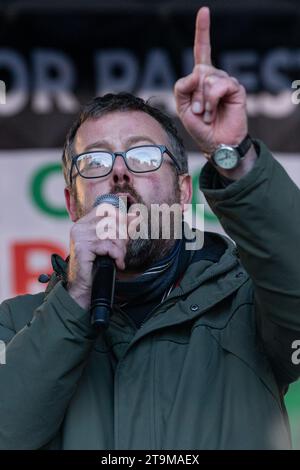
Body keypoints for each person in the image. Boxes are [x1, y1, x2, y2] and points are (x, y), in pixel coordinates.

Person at [0, 7, 299, 450]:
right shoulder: (17, 324)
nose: (119, 173)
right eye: (97, 161)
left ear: (182, 193)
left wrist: (233, 154)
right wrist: (77, 298)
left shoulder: (247, 305)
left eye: (143, 157)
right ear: (71, 201)